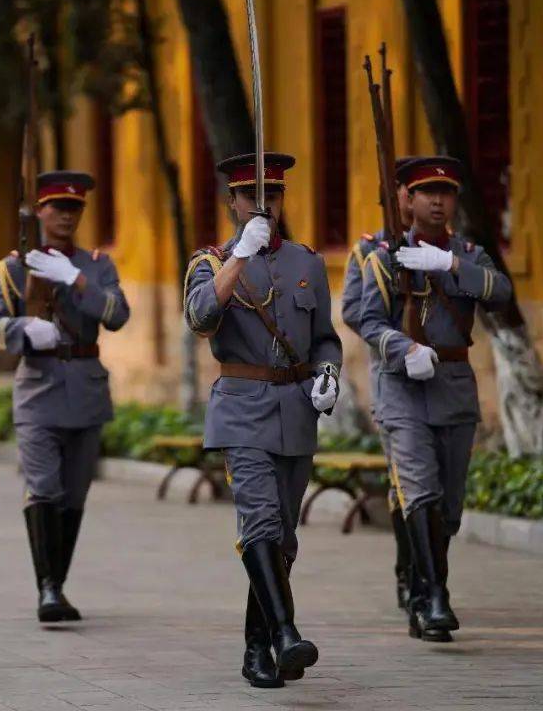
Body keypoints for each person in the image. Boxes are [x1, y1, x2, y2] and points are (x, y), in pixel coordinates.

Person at [183, 153, 342, 686]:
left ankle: (257, 649)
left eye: (271, 195)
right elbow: (201, 318)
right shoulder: (209, 262)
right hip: (241, 405)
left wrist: (328, 375)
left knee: (285, 539)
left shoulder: (306, 262)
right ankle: (285, 634)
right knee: (261, 523)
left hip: (295, 409)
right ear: (232, 202)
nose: (262, 205)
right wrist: (239, 258)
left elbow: (325, 338)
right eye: (250, 196)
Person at [359, 156, 511, 642]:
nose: (438, 201)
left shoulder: (467, 254)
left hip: (453, 386)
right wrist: (403, 350)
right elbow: (367, 321)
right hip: (403, 389)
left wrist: (450, 265)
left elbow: (501, 292)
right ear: (409, 199)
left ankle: (427, 591)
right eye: (427, 192)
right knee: (418, 490)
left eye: (446, 193)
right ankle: (433, 595)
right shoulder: (385, 256)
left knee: (448, 504)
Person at [0, 171, 130, 624]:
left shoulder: (97, 265)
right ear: (39, 211)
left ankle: (58, 582)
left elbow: (118, 314)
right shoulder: (15, 268)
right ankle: (48, 589)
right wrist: (25, 329)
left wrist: (77, 281)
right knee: (44, 487)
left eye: (74, 208)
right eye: (57, 207)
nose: (65, 215)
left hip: (85, 388)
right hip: (39, 390)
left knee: (75, 494)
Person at [341, 157, 416, 613]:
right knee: (402, 480)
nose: (414, 200)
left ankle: (429, 572)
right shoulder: (368, 250)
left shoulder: (447, 250)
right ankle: (408, 572)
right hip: (393, 378)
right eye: (407, 192)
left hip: (440, 381)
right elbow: (353, 310)